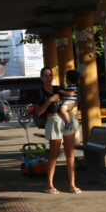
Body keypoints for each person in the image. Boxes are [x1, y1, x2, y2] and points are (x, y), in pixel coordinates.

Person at [35, 66, 81, 195]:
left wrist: (73, 104)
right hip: (53, 120)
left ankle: (72, 185)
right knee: (53, 154)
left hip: (67, 119)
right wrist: (49, 100)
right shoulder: (39, 92)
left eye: (50, 75)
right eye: (45, 75)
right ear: (41, 78)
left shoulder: (59, 89)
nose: (48, 77)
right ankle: (50, 185)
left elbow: (73, 99)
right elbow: (38, 112)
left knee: (70, 153)